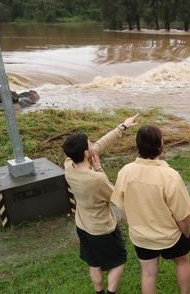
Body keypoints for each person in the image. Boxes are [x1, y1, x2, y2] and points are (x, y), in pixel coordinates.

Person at [111, 125, 190, 294]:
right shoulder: (170, 176)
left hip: (141, 236)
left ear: (138, 146)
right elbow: (182, 216)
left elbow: (123, 206)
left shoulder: (125, 172)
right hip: (170, 236)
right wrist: (186, 233)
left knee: (148, 273)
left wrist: (132, 225)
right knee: (183, 262)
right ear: (160, 146)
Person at [63, 113, 139, 294]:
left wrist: (122, 127)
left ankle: (98, 292)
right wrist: (98, 168)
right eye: (89, 143)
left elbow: (98, 146)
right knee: (118, 261)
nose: (93, 144)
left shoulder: (68, 165)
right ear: (85, 153)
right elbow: (115, 196)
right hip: (103, 229)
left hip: (83, 226)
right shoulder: (95, 179)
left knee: (94, 262)